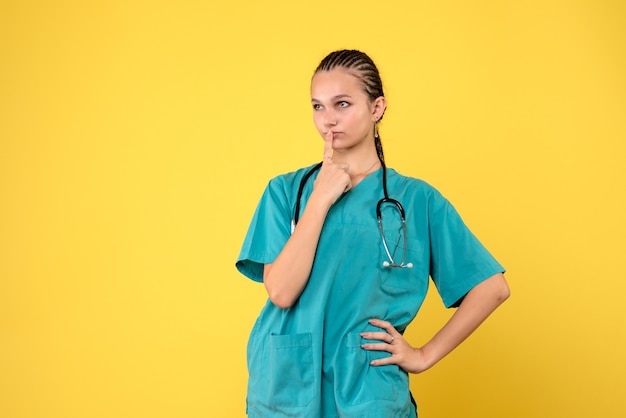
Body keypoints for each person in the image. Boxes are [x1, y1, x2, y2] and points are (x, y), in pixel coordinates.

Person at [235, 49, 510, 418]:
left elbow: (492, 288)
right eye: (318, 107)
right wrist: (320, 199)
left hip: (368, 391)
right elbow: (281, 292)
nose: (327, 120)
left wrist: (423, 355)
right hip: (285, 388)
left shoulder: (416, 201)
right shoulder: (287, 192)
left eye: (342, 104)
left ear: (377, 108)